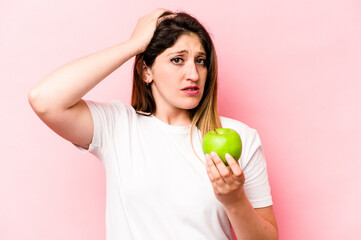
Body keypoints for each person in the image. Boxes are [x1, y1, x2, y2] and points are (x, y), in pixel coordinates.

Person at [28, 8, 278, 240]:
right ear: (146, 71)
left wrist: (234, 200)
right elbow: (45, 99)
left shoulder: (242, 137)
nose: (193, 73)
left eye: (200, 61)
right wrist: (133, 45)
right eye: (178, 60)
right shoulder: (118, 127)